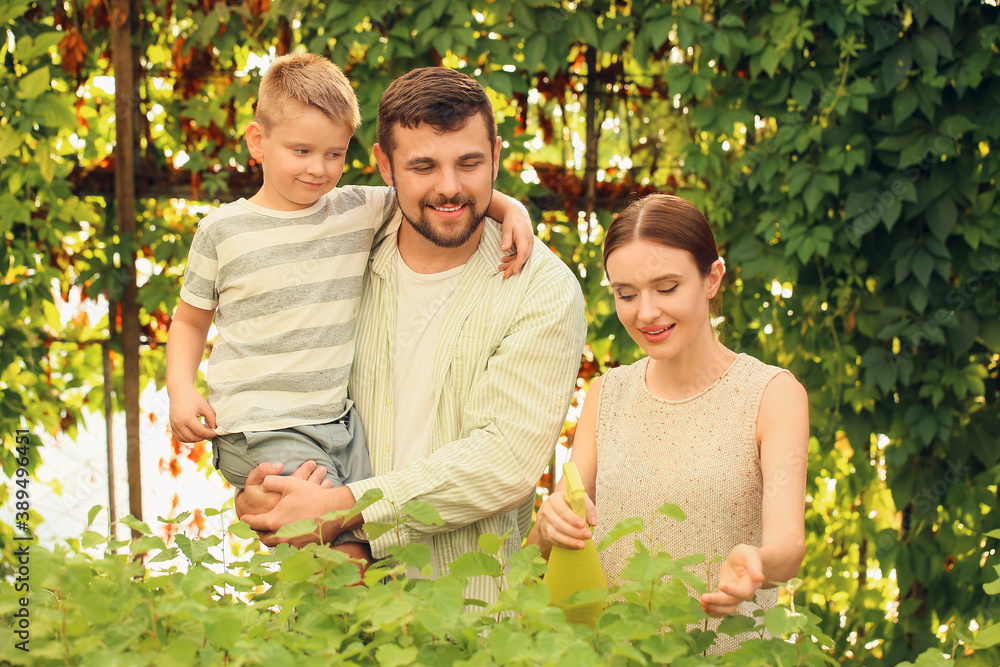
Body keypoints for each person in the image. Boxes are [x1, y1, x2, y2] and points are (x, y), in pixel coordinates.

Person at [237, 67, 588, 604]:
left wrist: (340, 508)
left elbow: (505, 462)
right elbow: (273, 373)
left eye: (469, 163)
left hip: (470, 613)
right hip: (328, 608)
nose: (449, 186)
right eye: (423, 166)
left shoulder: (541, 289)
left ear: (496, 155)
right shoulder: (340, 249)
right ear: (384, 165)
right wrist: (269, 491)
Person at [166, 54, 535, 566]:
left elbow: (438, 192)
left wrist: (509, 207)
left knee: (376, 523)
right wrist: (181, 390)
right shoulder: (224, 232)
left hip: (338, 422)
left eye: (334, 154)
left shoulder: (353, 209)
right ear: (257, 142)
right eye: (301, 151)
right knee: (342, 551)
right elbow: (189, 320)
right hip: (264, 422)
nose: (319, 169)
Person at [527, 193, 808, 653]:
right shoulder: (607, 394)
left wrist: (756, 562)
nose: (646, 313)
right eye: (626, 294)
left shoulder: (771, 395)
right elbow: (556, 532)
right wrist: (549, 524)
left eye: (667, 287)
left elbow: (788, 547)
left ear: (712, 278)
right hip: (616, 656)